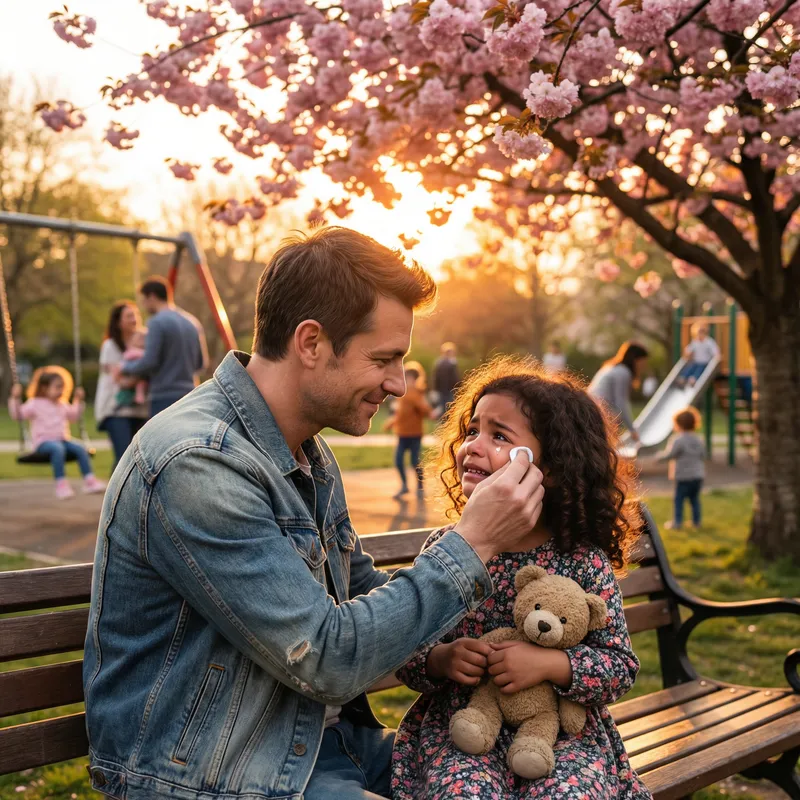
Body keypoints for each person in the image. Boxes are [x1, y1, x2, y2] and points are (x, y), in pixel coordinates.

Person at [83, 226, 547, 800]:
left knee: (544, 783)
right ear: (310, 343)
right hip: (219, 773)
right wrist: (472, 543)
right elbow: (325, 657)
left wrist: (469, 646)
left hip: (322, 744)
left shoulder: (306, 451)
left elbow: (358, 593)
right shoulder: (198, 463)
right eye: (384, 359)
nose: (398, 384)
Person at [391, 355, 650, 800]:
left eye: (499, 436)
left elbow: (619, 667)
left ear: (552, 466)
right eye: (472, 431)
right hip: (465, 728)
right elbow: (405, 648)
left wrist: (551, 665)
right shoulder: (448, 550)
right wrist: (441, 660)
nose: (473, 445)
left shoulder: (582, 561)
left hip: (562, 737)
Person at [117, 275, 209, 417]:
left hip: (164, 396)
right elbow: (201, 364)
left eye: (144, 300)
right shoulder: (192, 322)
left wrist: (125, 367)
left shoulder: (156, 322)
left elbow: (150, 361)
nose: (143, 305)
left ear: (152, 297)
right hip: (190, 394)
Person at [9, 366, 106, 500]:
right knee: (57, 448)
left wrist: (78, 400)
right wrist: (14, 398)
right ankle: (61, 485)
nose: (61, 390)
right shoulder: (35, 403)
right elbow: (18, 415)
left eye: (63, 387)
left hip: (62, 439)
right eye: (57, 387)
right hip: (43, 443)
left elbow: (74, 416)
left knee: (80, 448)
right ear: (44, 388)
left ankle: (90, 481)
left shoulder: (62, 404)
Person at [95, 301, 149, 465]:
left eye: (136, 315)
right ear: (118, 322)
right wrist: (144, 374)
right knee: (124, 457)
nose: (135, 319)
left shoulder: (145, 341)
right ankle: (116, 483)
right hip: (116, 410)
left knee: (140, 458)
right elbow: (120, 380)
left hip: (140, 410)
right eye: (129, 316)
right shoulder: (110, 346)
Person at [384, 363, 433, 499]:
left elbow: (425, 410)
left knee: (415, 461)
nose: (405, 379)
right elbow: (400, 413)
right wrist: (391, 423)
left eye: (407, 377)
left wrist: (427, 411)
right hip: (402, 433)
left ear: (413, 378)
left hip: (414, 434)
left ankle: (420, 486)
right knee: (398, 460)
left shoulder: (415, 393)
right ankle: (404, 486)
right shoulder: (403, 393)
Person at [588, 342, 649, 442]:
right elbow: (621, 403)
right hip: (598, 411)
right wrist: (632, 430)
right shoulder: (623, 372)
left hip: (592, 407)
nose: (644, 366)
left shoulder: (612, 367)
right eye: (643, 362)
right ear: (635, 360)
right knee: (617, 417)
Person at [658, 407, 706, 530]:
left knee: (679, 500)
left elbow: (670, 455)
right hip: (697, 476)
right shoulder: (699, 440)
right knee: (694, 499)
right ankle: (696, 522)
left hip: (683, 476)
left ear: (678, 424)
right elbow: (703, 455)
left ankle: (677, 523)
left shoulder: (678, 440)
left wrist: (658, 457)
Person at [677, 323, 720, 388]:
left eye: (701, 334)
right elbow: (688, 349)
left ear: (704, 334)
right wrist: (687, 354)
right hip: (696, 362)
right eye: (699, 334)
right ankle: (683, 378)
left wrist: (716, 357)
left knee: (699, 369)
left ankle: (693, 379)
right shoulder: (695, 341)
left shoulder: (709, 342)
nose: (699, 335)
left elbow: (715, 351)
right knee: (690, 367)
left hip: (704, 362)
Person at [117, 327, 149, 407]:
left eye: (144, 338)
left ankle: (138, 397)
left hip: (140, 375)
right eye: (140, 338)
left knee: (142, 384)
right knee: (139, 386)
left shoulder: (144, 351)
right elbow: (127, 357)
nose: (142, 340)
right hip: (131, 374)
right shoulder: (133, 351)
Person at [433, 341, 460, 411]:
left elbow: (436, 378)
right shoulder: (451, 363)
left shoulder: (439, 363)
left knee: (443, 408)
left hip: (442, 390)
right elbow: (455, 378)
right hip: (449, 390)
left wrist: (435, 389)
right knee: (448, 409)